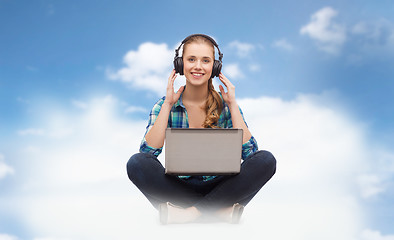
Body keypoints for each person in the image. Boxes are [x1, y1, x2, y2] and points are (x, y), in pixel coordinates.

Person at [126, 34, 276, 224]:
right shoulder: (165, 104)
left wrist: (233, 105)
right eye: (191, 59)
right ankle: (217, 211)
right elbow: (148, 153)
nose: (198, 66)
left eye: (206, 60)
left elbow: (250, 154)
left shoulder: (227, 106)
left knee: (266, 160)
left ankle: (188, 213)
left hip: (223, 186)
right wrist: (167, 106)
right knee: (136, 163)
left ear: (215, 67)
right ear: (180, 65)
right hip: (179, 187)